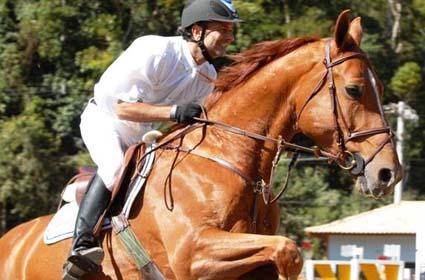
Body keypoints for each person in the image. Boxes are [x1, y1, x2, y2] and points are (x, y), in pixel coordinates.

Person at [62, 0, 242, 279]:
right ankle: (81, 246)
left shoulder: (208, 75)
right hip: (106, 121)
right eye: (223, 30)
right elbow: (123, 108)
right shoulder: (155, 50)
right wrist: (173, 112)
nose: (230, 38)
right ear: (196, 31)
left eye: (232, 32)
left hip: (144, 134)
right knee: (112, 168)